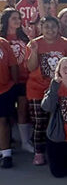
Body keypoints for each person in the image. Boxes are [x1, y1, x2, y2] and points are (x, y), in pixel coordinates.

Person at [26, 16, 67, 165]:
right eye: (46, 26)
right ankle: (39, 152)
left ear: (58, 27)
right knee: (40, 122)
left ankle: (56, 151)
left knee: (58, 121)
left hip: (59, 88)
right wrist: (34, 51)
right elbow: (30, 67)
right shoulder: (34, 43)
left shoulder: (66, 44)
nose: (50, 30)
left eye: (53, 26)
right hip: (37, 88)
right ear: (41, 28)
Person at [0, 8, 33, 153]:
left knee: (22, 110)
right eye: (14, 18)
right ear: (6, 20)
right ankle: (8, 141)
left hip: (24, 78)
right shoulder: (2, 38)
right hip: (6, 82)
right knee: (6, 114)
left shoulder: (24, 36)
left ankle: (25, 142)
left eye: (19, 18)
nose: (17, 21)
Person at [0, 36, 18, 168]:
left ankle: (6, 154)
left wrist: (14, 85)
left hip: (4, 89)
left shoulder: (3, 43)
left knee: (3, 121)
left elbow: (13, 65)